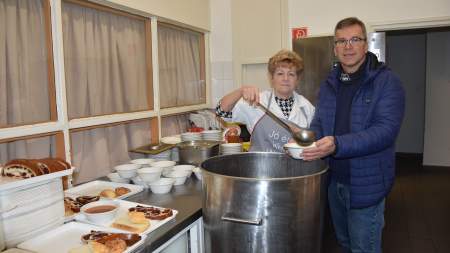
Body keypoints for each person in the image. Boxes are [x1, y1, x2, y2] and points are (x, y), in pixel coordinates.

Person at [302, 17, 405, 253]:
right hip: (333, 182)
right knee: (345, 244)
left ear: (365, 44)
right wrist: (305, 140)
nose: (348, 46)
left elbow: (385, 131)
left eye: (354, 39)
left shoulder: (387, 82)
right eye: (341, 41)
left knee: (364, 247)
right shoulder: (329, 84)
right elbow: (320, 122)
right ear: (335, 47)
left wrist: (338, 144)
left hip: (366, 185)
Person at [216, 49, 314, 152]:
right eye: (280, 73)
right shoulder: (257, 101)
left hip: (295, 167)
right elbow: (221, 111)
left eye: (291, 74)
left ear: (297, 79)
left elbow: (315, 139)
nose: (286, 78)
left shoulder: (306, 107)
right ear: (272, 78)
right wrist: (241, 91)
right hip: (261, 166)